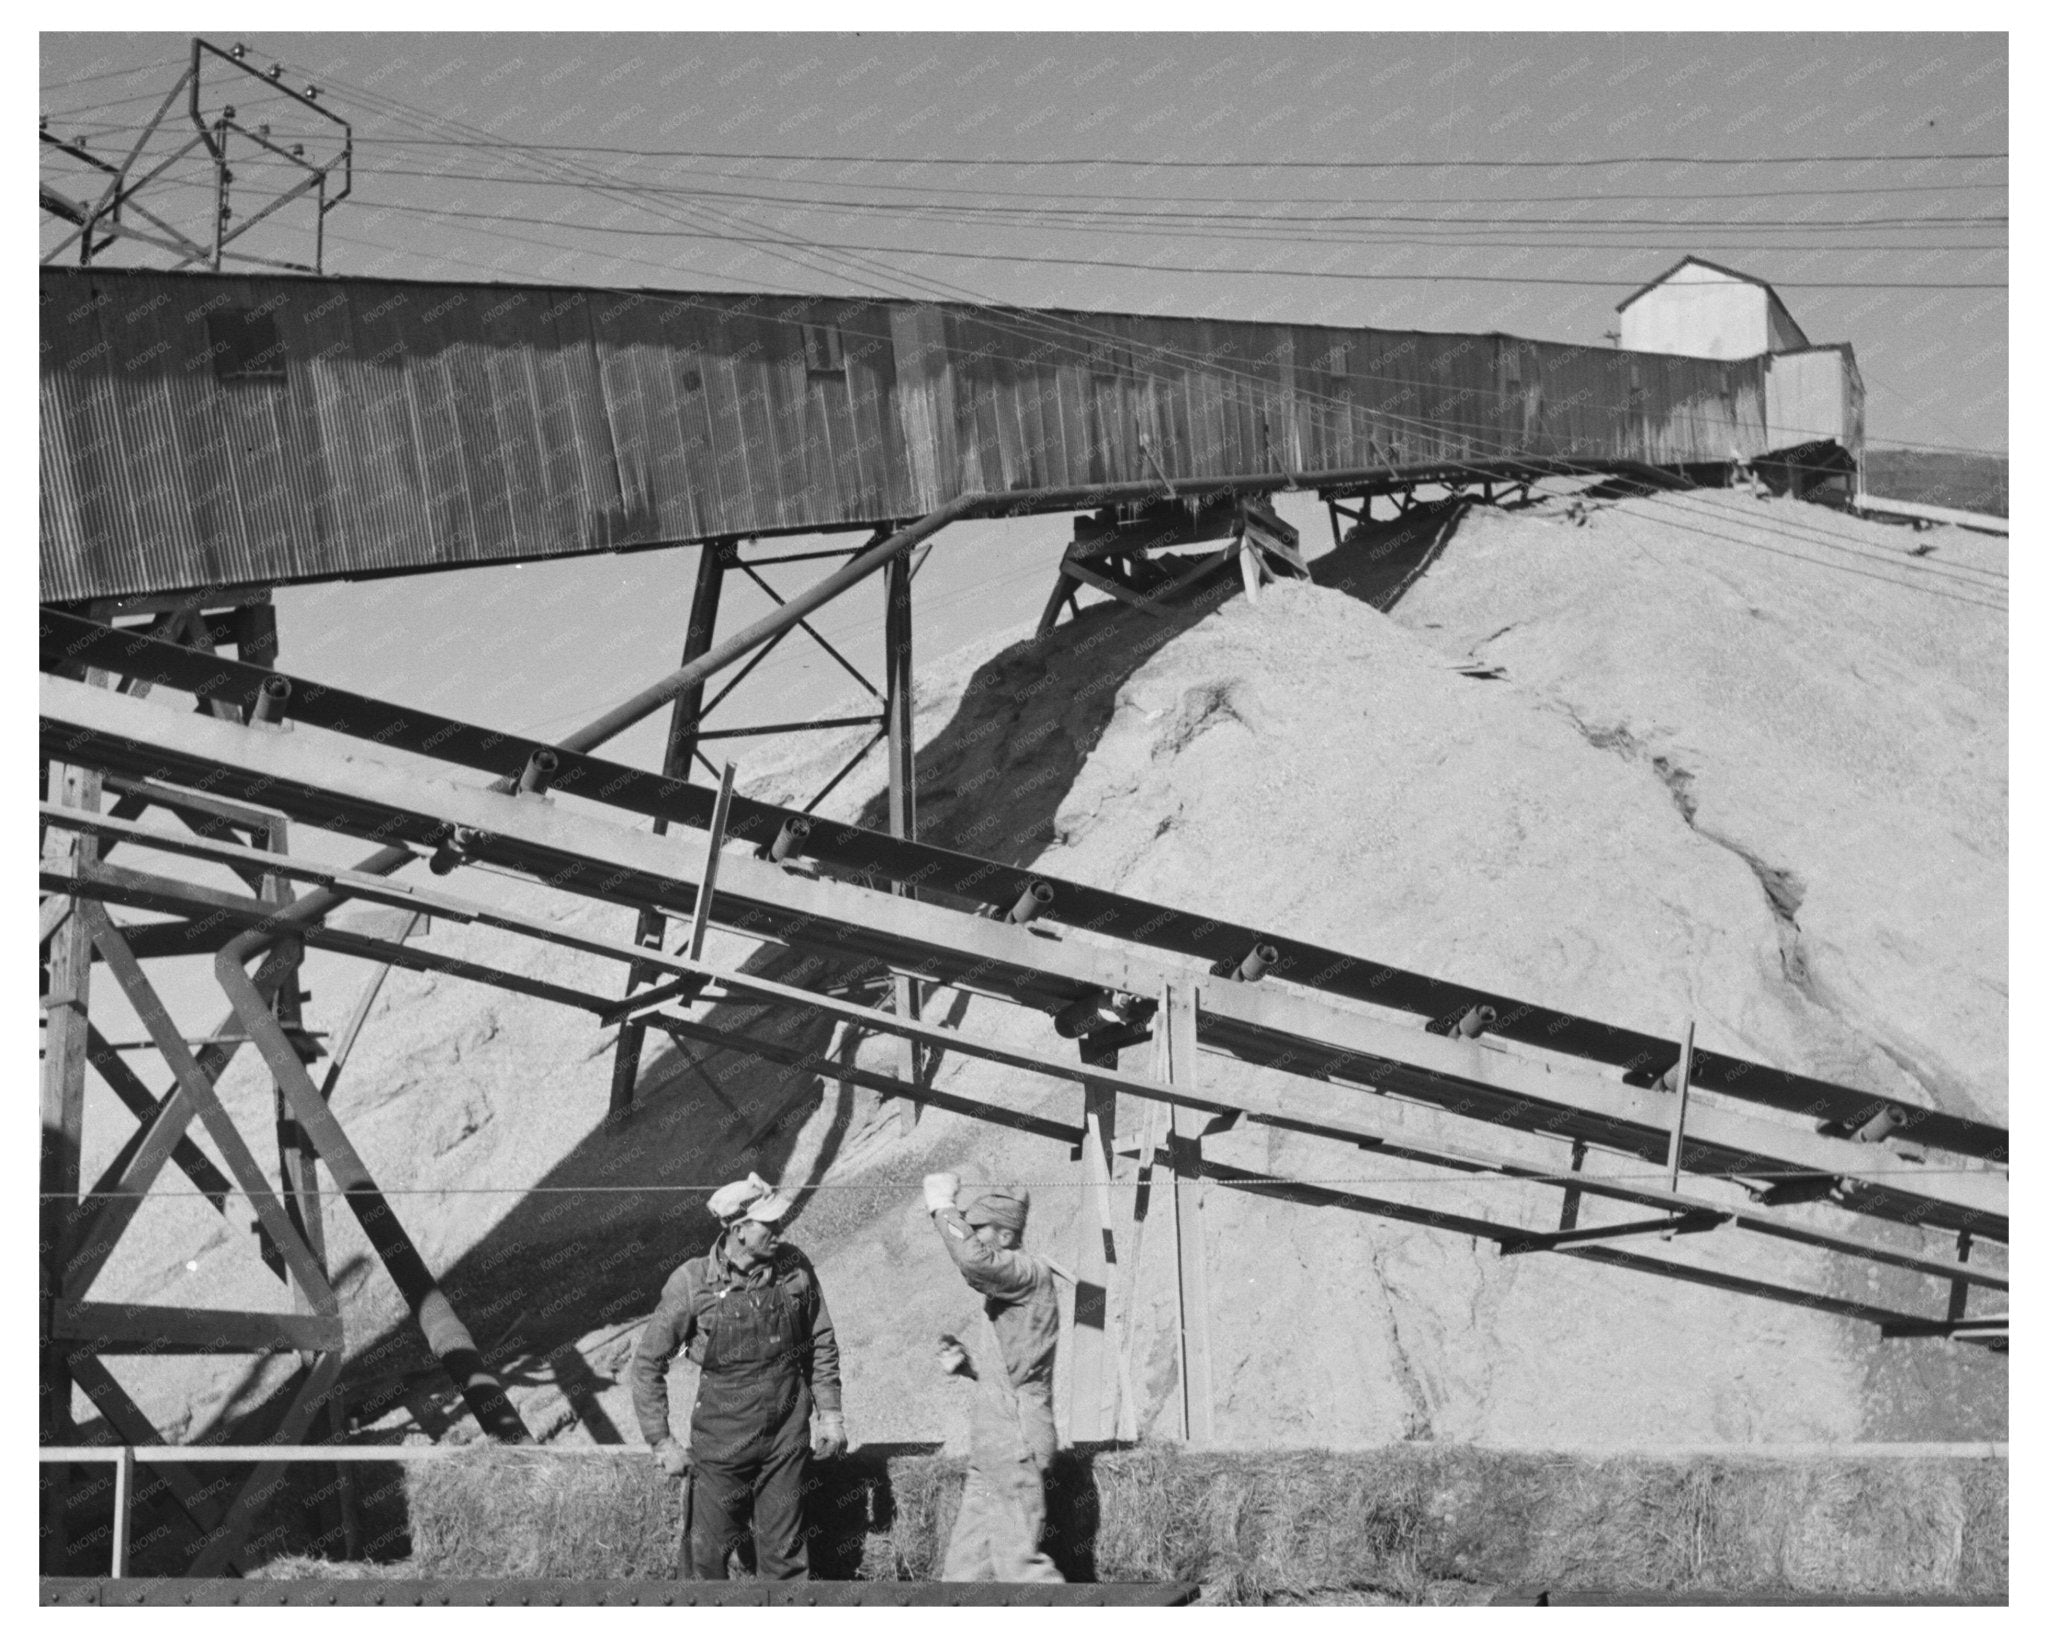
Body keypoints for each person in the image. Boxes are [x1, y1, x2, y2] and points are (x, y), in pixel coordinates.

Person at [630, 1172, 847, 1580]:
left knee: (785, 1561)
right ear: (738, 1230)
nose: (781, 1230)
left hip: (786, 1438)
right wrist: (661, 1442)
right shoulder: (694, 1283)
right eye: (770, 1223)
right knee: (705, 1559)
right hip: (721, 1443)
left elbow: (821, 1342)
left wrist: (831, 1415)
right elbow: (647, 1365)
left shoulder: (795, 1270)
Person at [922, 1172, 1065, 1583]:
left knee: (1020, 1571)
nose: (971, 1236)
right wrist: (970, 1365)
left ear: (1005, 1236)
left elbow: (971, 1260)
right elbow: (1018, 1365)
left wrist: (941, 1206)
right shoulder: (1013, 1286)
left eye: (978, 1229)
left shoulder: (1027, 1271)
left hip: (1014, 1439)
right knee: (964, 1577)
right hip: (993, 1444)